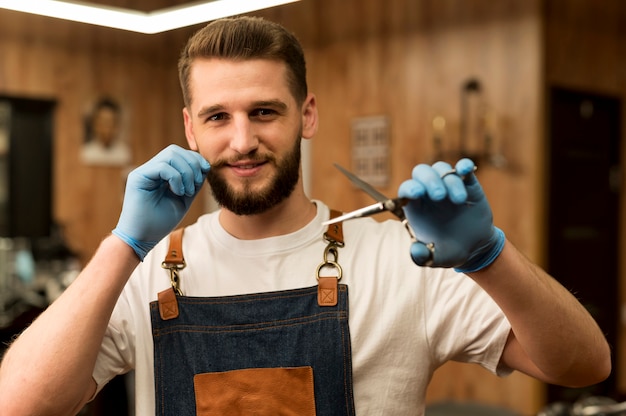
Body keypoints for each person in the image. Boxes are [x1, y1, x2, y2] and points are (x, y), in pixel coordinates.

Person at [0, 16, 610, 416]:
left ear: (306, 116)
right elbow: (18, 405)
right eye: (217, 117)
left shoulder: (401, 260)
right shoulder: (151, 267)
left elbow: (585, 364)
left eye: (265, 112)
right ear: (189, 126)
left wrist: (490, 258)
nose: (241, 142)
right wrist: (123, 245)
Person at [81, 97, 131, 166]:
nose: (107, 128)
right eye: (103, 122)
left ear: (116, 125)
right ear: (95, 124)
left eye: (110, 122)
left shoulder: (124, 154)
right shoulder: (86, 153)